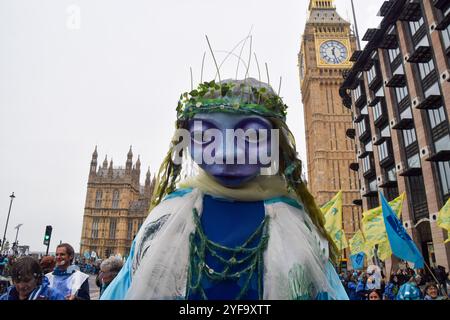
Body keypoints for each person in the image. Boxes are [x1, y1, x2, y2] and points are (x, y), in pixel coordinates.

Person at [101, 77, 348, 300]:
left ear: (277, 143)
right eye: (205, 136)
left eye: (251, 136)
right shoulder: (168, 217)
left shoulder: (294, 221)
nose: (228, 152)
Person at [0, 256, 64, 300]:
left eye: (26, 281)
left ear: (37, 279)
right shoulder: (5, 297)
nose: (21, 286)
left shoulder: (53, 296)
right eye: (17, 281)